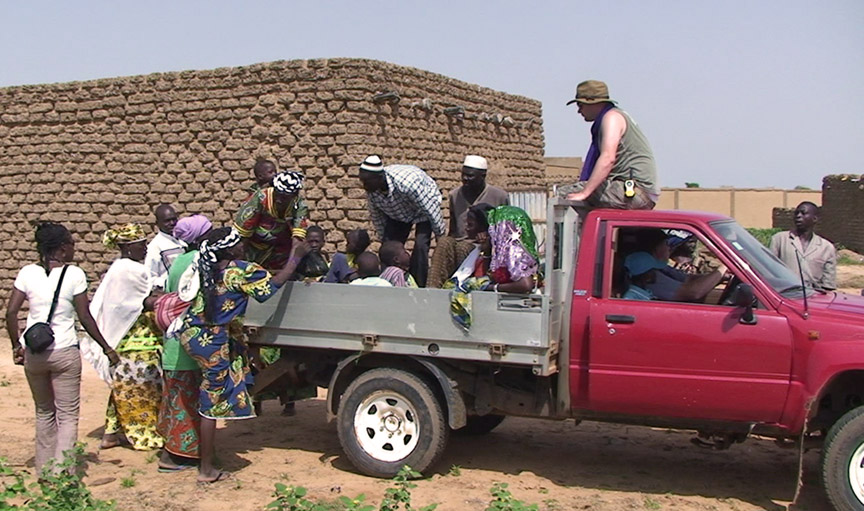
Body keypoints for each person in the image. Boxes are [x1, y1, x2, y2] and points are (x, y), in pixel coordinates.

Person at [176, 227, 309, 483]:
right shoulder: (240, 270)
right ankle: (206, 470)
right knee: (211, 402)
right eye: (238, 243)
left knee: (208, 391)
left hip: (193, 335)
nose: (242, 246)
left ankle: (198, 453)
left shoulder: (208, 268)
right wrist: (296, 256)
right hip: (213, 339)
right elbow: (270, 288)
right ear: (229, 249)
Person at [5, 223, 119, 474]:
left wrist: (17, 345)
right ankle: (63, 472)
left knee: (44, 411)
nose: (73, 249)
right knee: (67, 414)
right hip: (64, 351)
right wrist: (107, 348)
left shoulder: (27, 273)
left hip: (35, 353)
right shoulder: (75, 274)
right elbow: (85, 318)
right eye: (71, 244)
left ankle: (44, 471)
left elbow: (11, 313)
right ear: (62, 248)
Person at [84, 224, 164, 451]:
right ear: (128, 247)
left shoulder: (117, 268)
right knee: (143, 389)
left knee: (122, 387)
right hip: (136, 340)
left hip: (120, 339)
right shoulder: (132, 270)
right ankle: (144, 434)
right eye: (141, 244)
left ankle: (110, 434)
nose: (146, 248)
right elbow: (144, 302)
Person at [156, 214, 212, 471]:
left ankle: (175, 453)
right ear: (201, 237)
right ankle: (176, 457)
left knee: (177, 399)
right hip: (188, 343)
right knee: (186, 403)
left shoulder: (179, 261)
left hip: (174, 339)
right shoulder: (199, 261)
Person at [561, 80, 659, 210]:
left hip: (634, 191)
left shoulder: (611, 118)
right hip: (638, 191)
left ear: (593, 102)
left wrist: (585, 193)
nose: (579, 111)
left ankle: (584, 230)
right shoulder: (616, 116)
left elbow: (608, 158)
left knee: (564, 194)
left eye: (580, 105)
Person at [447, 206, 541, 329]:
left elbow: (525, 285)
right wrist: (486, 251)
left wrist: (491, 287)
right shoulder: (498, 251)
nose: (466, 229)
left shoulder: (514, 252)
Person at [358, 155, 445, 287]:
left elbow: (430, 210)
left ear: (380, 178)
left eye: (367, 182)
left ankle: (419, 285)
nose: (364, 186)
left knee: (421, 246)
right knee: (388, 250)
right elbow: (378, 218)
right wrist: (386, 244)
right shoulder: (372, 192)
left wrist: (440, 236)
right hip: (398, 213)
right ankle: (388, 283)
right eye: (362, 181)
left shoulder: (408, 185)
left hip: (422, 209)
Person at [234, 171, 309, 270]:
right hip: (252, 248)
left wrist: (289, 268)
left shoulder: (299, 206)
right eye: (277, 195)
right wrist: (241, 266)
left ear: (294, 196)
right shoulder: (260, 199)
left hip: (279, 251)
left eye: (285, 198)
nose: (279, 200)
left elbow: (297, 241)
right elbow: (242, 236)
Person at [638, 229, 727, 302]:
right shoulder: (648, 276)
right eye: (666, 245)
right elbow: (694, 293)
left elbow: (688, 278)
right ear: (656, 249)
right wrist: (723, 267)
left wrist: (719, 276)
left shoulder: (659, 267)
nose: (669, 249)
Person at [770, 201, 837, 291]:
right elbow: (769, 270)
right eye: (797, 213)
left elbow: (828, 284)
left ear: (815, 219)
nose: (798, 216)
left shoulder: (826, 247)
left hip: (813, 297)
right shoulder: (780, 239)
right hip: (785, 294)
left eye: (803, 213)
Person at [430, 203, 495, 289]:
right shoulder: (468, 245)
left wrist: (487, 250)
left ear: (483, 227)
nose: (466, 228)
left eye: (470, 225)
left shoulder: (495, 247)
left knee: (463, 247)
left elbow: (483, 278)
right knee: (444, 241)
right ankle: (433, 289)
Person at [448, 155, 509, 238]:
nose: (465, 178)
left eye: (470, 176)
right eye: (463, 175)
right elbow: (453, 230)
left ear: (483, 176)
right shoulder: (455, 196)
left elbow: (505, 230)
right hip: (462, 247)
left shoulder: (499, 197)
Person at [145, 204, 187, 290]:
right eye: (167, 221)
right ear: (157, 223)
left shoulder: (183, 241)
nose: (172, 223)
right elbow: (150, 278)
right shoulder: (156, 247)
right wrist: (170, 283)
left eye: (174, 219)